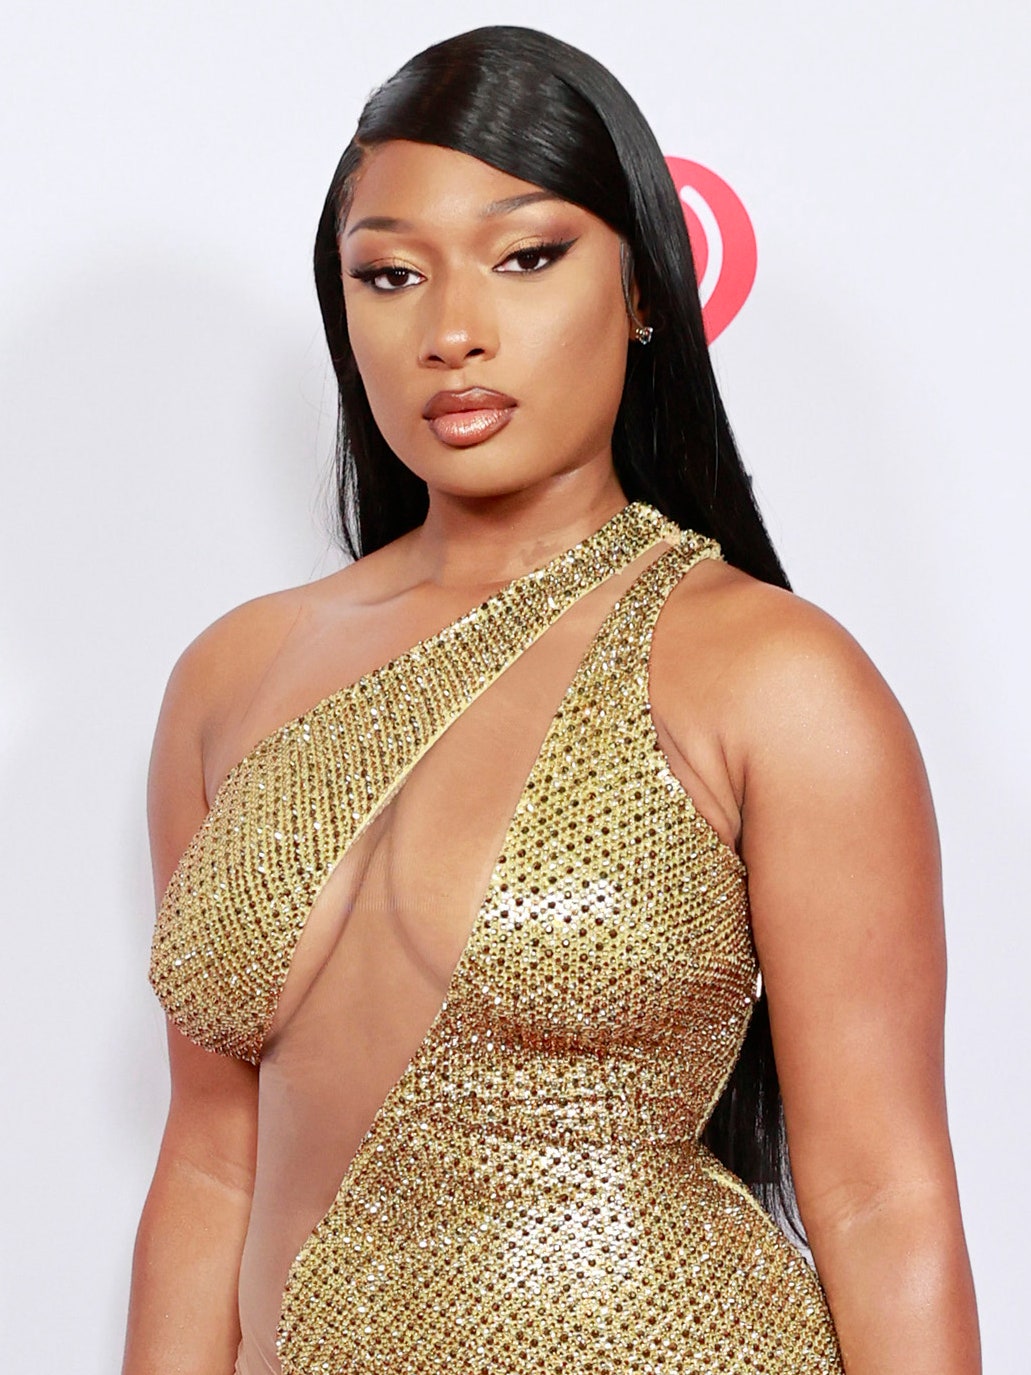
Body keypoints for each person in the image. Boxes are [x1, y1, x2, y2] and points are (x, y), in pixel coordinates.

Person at [122, 24, 981, 1375]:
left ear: (643, 288)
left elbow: (882, 1197)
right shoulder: (230, 679)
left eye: (526, 257)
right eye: (391, 274)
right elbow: (211, 1165)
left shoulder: (774, 679)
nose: (452, 332)